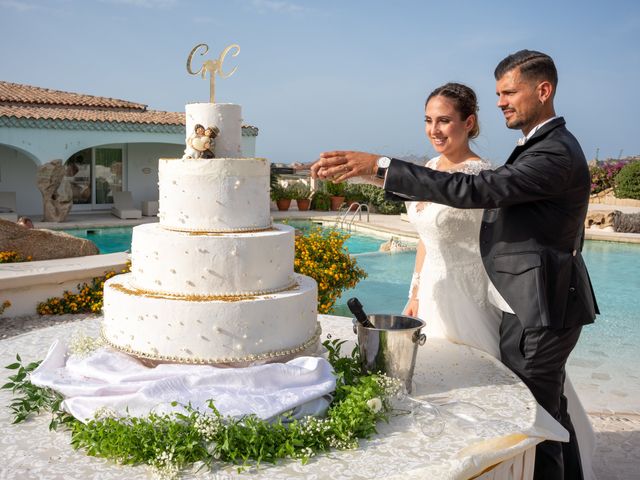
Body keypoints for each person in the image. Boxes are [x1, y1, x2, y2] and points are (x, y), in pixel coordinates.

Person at [311, 50, 598, 480]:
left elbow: (475, 188)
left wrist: (382, 165)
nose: (501, 100)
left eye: (509, 92)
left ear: (544, 90)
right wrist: (370, 174)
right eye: (498, 92)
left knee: (533, 424)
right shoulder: (539, 144)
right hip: (515, 301)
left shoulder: (554, 153)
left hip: (542, 305)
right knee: (548, 412)